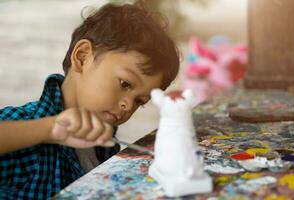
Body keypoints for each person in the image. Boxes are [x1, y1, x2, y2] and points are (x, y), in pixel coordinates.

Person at [0, 2, 179, 199]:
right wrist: (48, 129)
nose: (127, 106)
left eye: (139, 101)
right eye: (125, 84)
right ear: (83, 57)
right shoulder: (26, 131)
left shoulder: (104, 142)